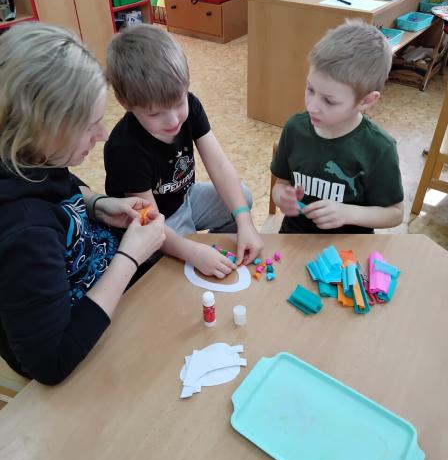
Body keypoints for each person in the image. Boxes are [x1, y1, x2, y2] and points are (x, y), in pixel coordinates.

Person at [0, 23, 165, 385]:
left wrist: (100, 204)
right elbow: (52, 363)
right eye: (91, 125)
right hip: (81, 349)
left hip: (102, 287)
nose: (103, 134)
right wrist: (130, 257)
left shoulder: (29, 156)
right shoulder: (25, 233)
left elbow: (64, 187)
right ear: (44, 127)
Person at [104, 25, 263, 277]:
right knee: (182, 270)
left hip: (185, 198)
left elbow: (219, 166)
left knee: (242, 198)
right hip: (155, 223)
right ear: (126, 104)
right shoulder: (124, 148)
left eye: (179, 102)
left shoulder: (192, 105)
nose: (173, 121)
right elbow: (148, 222)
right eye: (155, 114)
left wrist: (245, 221)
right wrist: (192, 251)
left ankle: (209, 248)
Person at [271, 19, 404, 234]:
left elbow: (395, 214)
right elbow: (281, 184)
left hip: (349, 246)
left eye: (329, 101)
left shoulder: (379, 148)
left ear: (366, 101)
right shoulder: (295, 129)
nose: (312, 106)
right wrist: (282, 198)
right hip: (295, 236)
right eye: (310, 89)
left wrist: (349, 213)